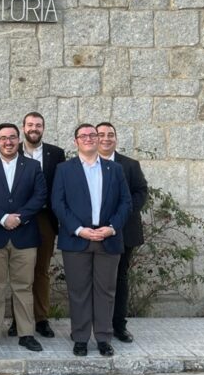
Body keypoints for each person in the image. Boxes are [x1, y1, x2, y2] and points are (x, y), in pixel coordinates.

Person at [52, 123, 132, 357]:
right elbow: (58, 203)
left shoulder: (114, 169)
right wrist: (78, 229)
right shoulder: (64, 170)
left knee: (106, 291)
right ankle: (80, 338)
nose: (88, 138)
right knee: (79, 291)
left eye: (92, 135)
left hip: (107, 238)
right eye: (83, 135)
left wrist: (112, 228)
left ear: (98, 140)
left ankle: (104, 338)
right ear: (76, 141)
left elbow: (125, 203)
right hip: (77, 239)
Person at [0, 123, 47, 353]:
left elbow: (40, 195)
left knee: (23, 286)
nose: (8, 142)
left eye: (12, 137)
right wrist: (3, 217)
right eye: (3, 138)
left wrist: (20, 217)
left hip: (24, 236)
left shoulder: (33, 166)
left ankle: (26, 334)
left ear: (18, 139)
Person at [12, 111, 67, 339]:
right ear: (23, 127)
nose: (34, 128)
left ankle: (42, 319)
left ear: (43, 128)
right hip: (20, 218)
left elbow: (60, 186)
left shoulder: (56, 153)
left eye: (38, 125)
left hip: (45, 218)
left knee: (41, 270)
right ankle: (19, 320)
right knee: (19, 271)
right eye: (30, 125)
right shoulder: (12, 151)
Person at [96, 122, 149, 343]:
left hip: (123, 231)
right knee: (93, 280)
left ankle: (118, 325)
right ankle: (92, 325)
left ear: (116, 138)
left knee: (119, 279)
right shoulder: (85, 164)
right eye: (101, 134)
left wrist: (119, 216)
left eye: (111, 135)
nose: (106, 138)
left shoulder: (130, 165)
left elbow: (141, 193)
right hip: (94, 232)